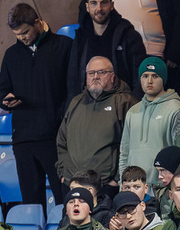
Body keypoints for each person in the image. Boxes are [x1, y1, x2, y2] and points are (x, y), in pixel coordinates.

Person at [0, 2, 72, 204]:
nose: (22, 37)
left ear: (38, 23)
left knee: (63, 199)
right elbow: (1, 91)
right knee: (31, 203)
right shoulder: (11, 55)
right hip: (23, 139)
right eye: (17, 34)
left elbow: (72, 90)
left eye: (25, 32)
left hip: (54, 137)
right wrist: (5, 101)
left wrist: (59, 120)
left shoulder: (64, 46)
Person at [57, 56, 136, 185]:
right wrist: (64, 174)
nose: (95, 77)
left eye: (101, 72)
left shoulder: (125, 102)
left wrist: (116, 179)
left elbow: (131, 145)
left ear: (112, 76)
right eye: (91, 73)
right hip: (73, 183)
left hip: (106, 184)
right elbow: (61, 142)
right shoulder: (76, 102)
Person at [67, 0, 146, 99]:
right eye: (94, 3)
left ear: (112, 5)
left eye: (103, 3)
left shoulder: (129, 36)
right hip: (88, 103)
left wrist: (132, 107)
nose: (99, 9)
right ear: (87, 7)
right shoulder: (81, 37)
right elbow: (73, 79)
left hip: (120, 103)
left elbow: (138, 78)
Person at [118, 57, 180, 186]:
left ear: (163, 79)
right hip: (134, 188)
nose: (149, 81)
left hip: (163, 187)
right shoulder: (133, 111)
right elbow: (124, 152)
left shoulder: (176, 108)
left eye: (155, 76)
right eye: (145, 76)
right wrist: (122, 183)